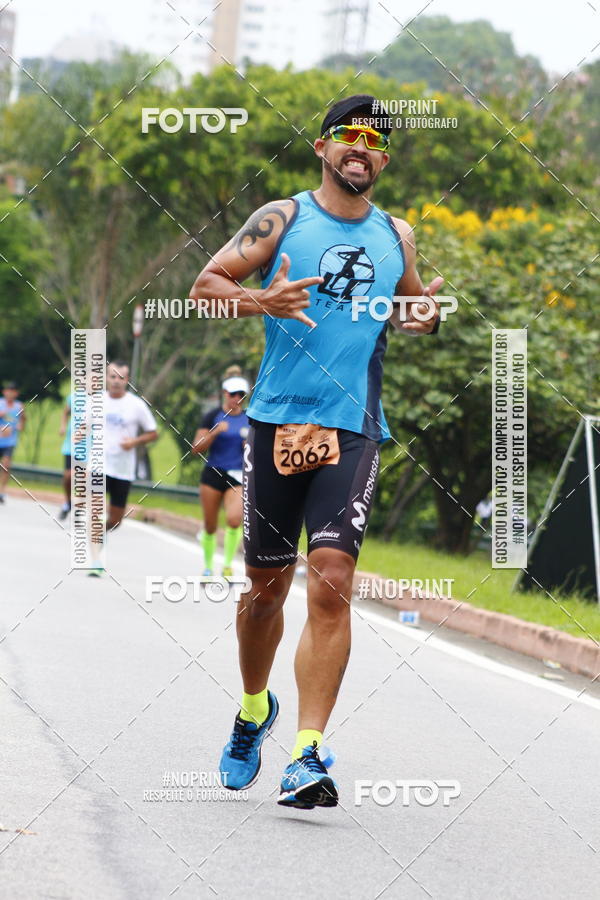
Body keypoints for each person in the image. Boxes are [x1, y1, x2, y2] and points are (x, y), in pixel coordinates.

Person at [189, 94, 442, 809]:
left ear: (384, 159)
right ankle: (251, 710)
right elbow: (206, 285)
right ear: (323, 148)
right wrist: (257, 303)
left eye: (374, 141)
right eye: (348, 136)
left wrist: (420, 315)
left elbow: (410, 306)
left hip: (355, 424)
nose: (361, 148)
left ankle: (306, 754)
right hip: (276, 423)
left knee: (331, 576)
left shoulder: (400, 233)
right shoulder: (284, 217)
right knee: (264, 592)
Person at [89, 360, 158, 575]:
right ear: (106, 378)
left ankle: (101, 535)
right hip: (99, 464)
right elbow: (83, 426)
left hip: (123, 469)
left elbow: (153, 433)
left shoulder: (136, 405)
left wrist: (134, 442)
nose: (116, 381)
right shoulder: (96, 401)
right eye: (112, 377)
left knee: (115, 520)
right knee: (96, 512)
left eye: (121, 377)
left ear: (127, 380)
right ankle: (96, 560)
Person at [192, 369, 249, 577]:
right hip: (213, 474)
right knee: (210, 525)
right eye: (233, 394)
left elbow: (259, 452)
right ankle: (208, 566)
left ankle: (227, 565)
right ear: (225, 393)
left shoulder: (250, 419)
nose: (236, 398)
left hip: (237, 476)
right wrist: (215, 432)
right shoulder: (212, 416)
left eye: (241, 394)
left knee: (234, 519)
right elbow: (196, 448)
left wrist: (248, 446)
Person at [0, 382, 25, 504]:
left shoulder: (19, 406)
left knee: (6, 465)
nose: (10, 393)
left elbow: (22, 420)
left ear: (16, 393)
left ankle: (2, 491)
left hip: (10, 441)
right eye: (8, 390)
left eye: (13, 391)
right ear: (4, 392)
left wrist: (20, 425)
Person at [58, 392, 73, 520]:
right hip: (72, 444)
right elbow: (65, 413)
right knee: (68, 476)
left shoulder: (102, 398)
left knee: (84, 476)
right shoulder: (74, 397)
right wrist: (63, 426)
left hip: (91, 445)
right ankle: (68, 502)